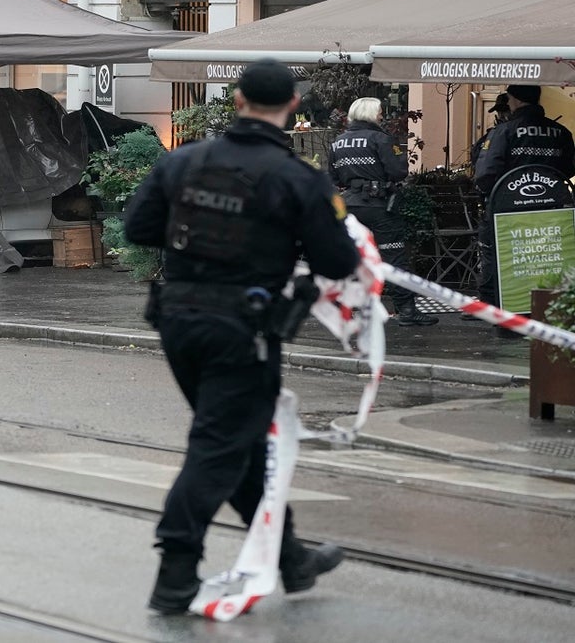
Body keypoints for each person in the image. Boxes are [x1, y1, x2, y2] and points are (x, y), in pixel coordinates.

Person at [124, 59, 358, 615]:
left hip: (179, 321)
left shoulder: (183, 160)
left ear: (236, 99)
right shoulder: (296, 176)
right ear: (294, 105)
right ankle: (175, 571)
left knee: (239, 440)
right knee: (219, 445)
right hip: (242, 330)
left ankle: (290, 559)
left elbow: (137, 228)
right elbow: (338, 260)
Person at [329, 97, 438, 326]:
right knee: (394, 258)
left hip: (350, 206)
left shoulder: (338, 141)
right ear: (370, 113)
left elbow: (334, 177)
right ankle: (406, 311)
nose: (381, 116)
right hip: (379, 206)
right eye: (379, 112)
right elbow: (398, 171)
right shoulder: (381, 139)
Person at [474, 85, 575, 309]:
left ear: (516, 100)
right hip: (552, 208)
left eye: (509, 99)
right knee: (549, 256)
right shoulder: (560, 132)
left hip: (508, 209)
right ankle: (551, 305)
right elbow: (569, 168)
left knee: (498, 253)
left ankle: (494, 305)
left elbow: (485, 173)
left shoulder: (503, 131)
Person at [469, 93, 510, 173]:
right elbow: (477, 155)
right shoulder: (493, 133)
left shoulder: (517, 133)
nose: (501, 115)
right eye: (499, 112)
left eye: (505, 111)